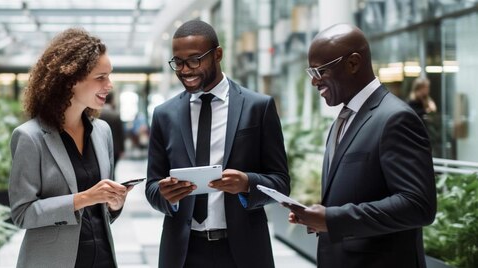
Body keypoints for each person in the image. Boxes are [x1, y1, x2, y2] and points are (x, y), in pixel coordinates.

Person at [285, 23, 437, 268]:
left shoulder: (396, 118)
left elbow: (418, 206)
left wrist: (333, 219)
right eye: (311, 73)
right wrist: (317, 217)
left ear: (353, 63)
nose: (314, 82)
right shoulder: (342, 120)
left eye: (319, 71)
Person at [145, 20, 290, 268]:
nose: (185, 70)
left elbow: (280, 182)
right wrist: (167, 195)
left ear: (218, 55)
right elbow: (152, 187)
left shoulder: (258, 107)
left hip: (243, 252)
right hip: (183, 252)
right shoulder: (164, 114)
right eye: (177, 62)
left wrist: (247, 183)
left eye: (194, 60)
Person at [8, 28, 132, 268]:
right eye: (101, 77)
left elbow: (102, 212)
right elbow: (22, 213)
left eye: (110, 76)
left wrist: (114, 204)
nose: (109, 85)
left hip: (102, 259)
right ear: (71, 80)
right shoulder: (30, 137)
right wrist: (83, 198)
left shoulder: (102, 131)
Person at [99, 93, 125, 167]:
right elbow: (120, 133)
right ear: (112, 100)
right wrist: (122, 149)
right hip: (115, 148)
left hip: (100, 147)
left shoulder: (98, 114)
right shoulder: (115, 114)